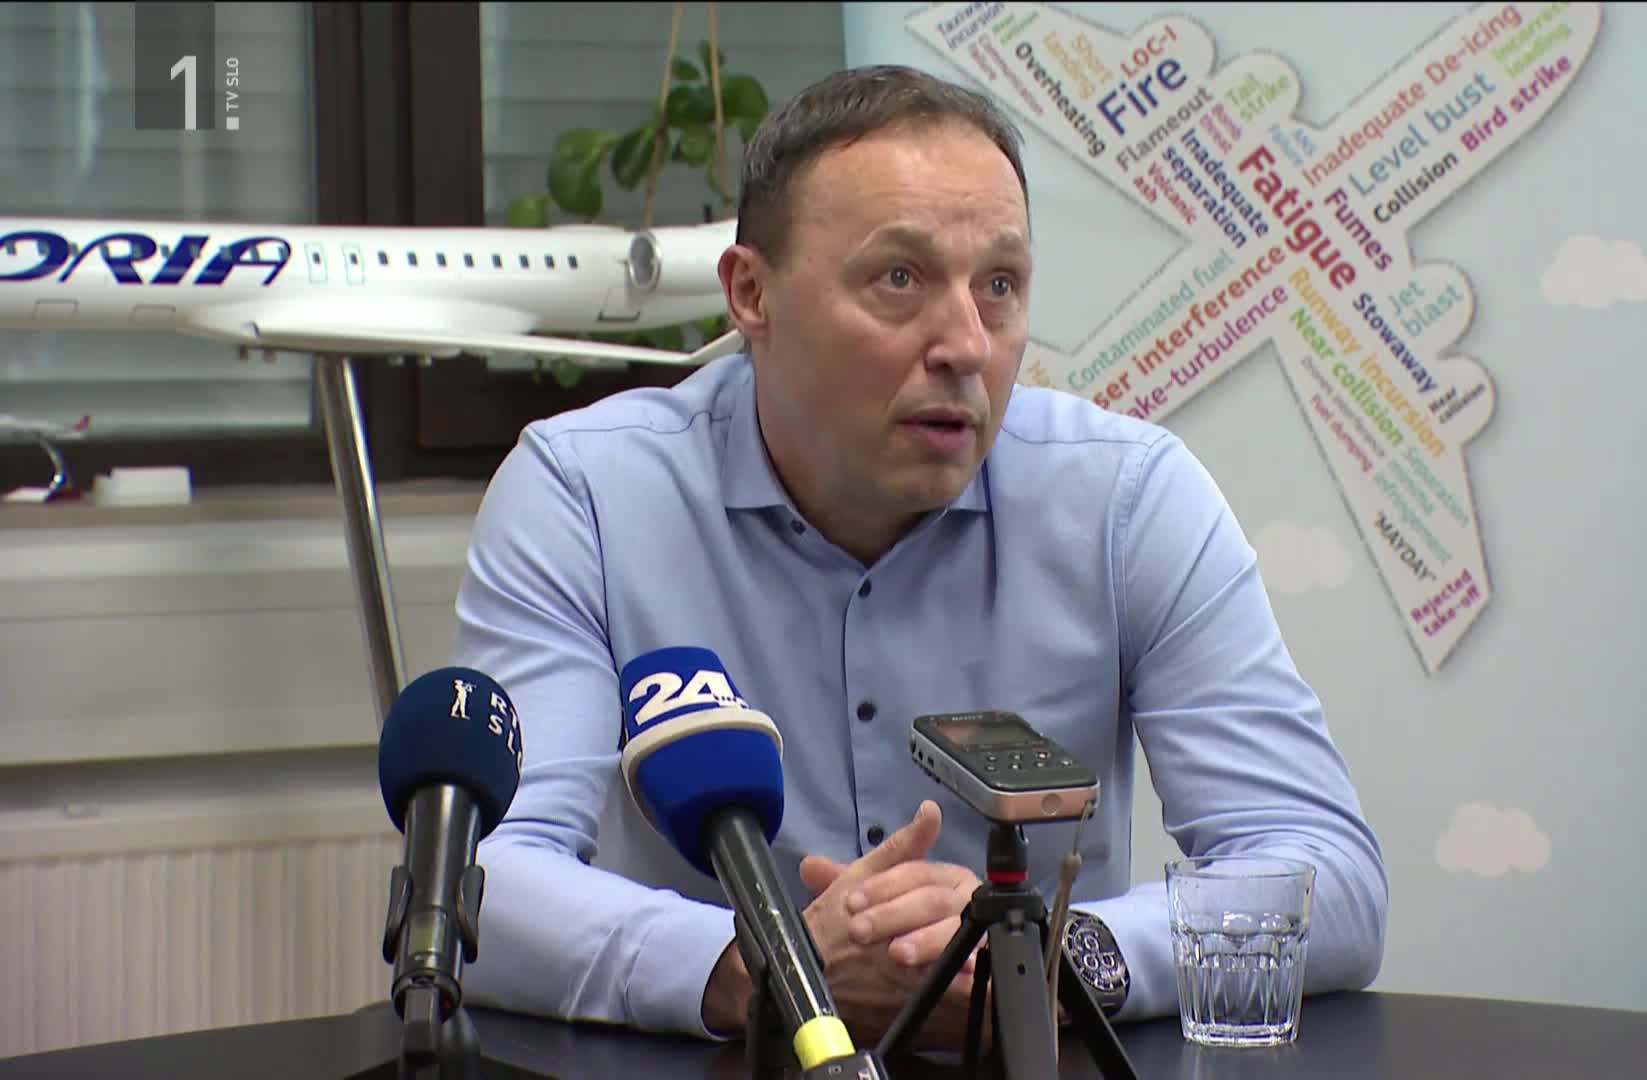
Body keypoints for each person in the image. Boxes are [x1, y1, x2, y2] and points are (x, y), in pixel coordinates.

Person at [452, 63, 1387, 1051]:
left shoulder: (1127, 498)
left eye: (1000, 286)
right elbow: (482, 884)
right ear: (752, 294)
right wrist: (764, 967)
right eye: (899, 279)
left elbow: (1327, 877)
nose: (966, 345)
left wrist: (1049, 960)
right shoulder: (588, 495)